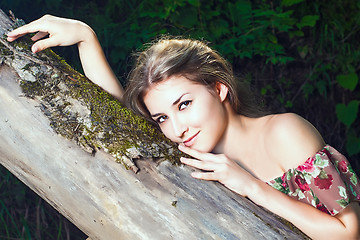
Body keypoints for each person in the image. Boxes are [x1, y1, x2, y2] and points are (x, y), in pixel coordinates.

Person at [7, 15, 360, 239]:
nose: (175, 127)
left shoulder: (283, 133)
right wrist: (85, 37)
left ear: (219, 89)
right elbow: (116, 115)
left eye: (184, 104)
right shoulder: (189, 151)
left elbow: (348, 234)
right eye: (161, 118)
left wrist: (251, 186)